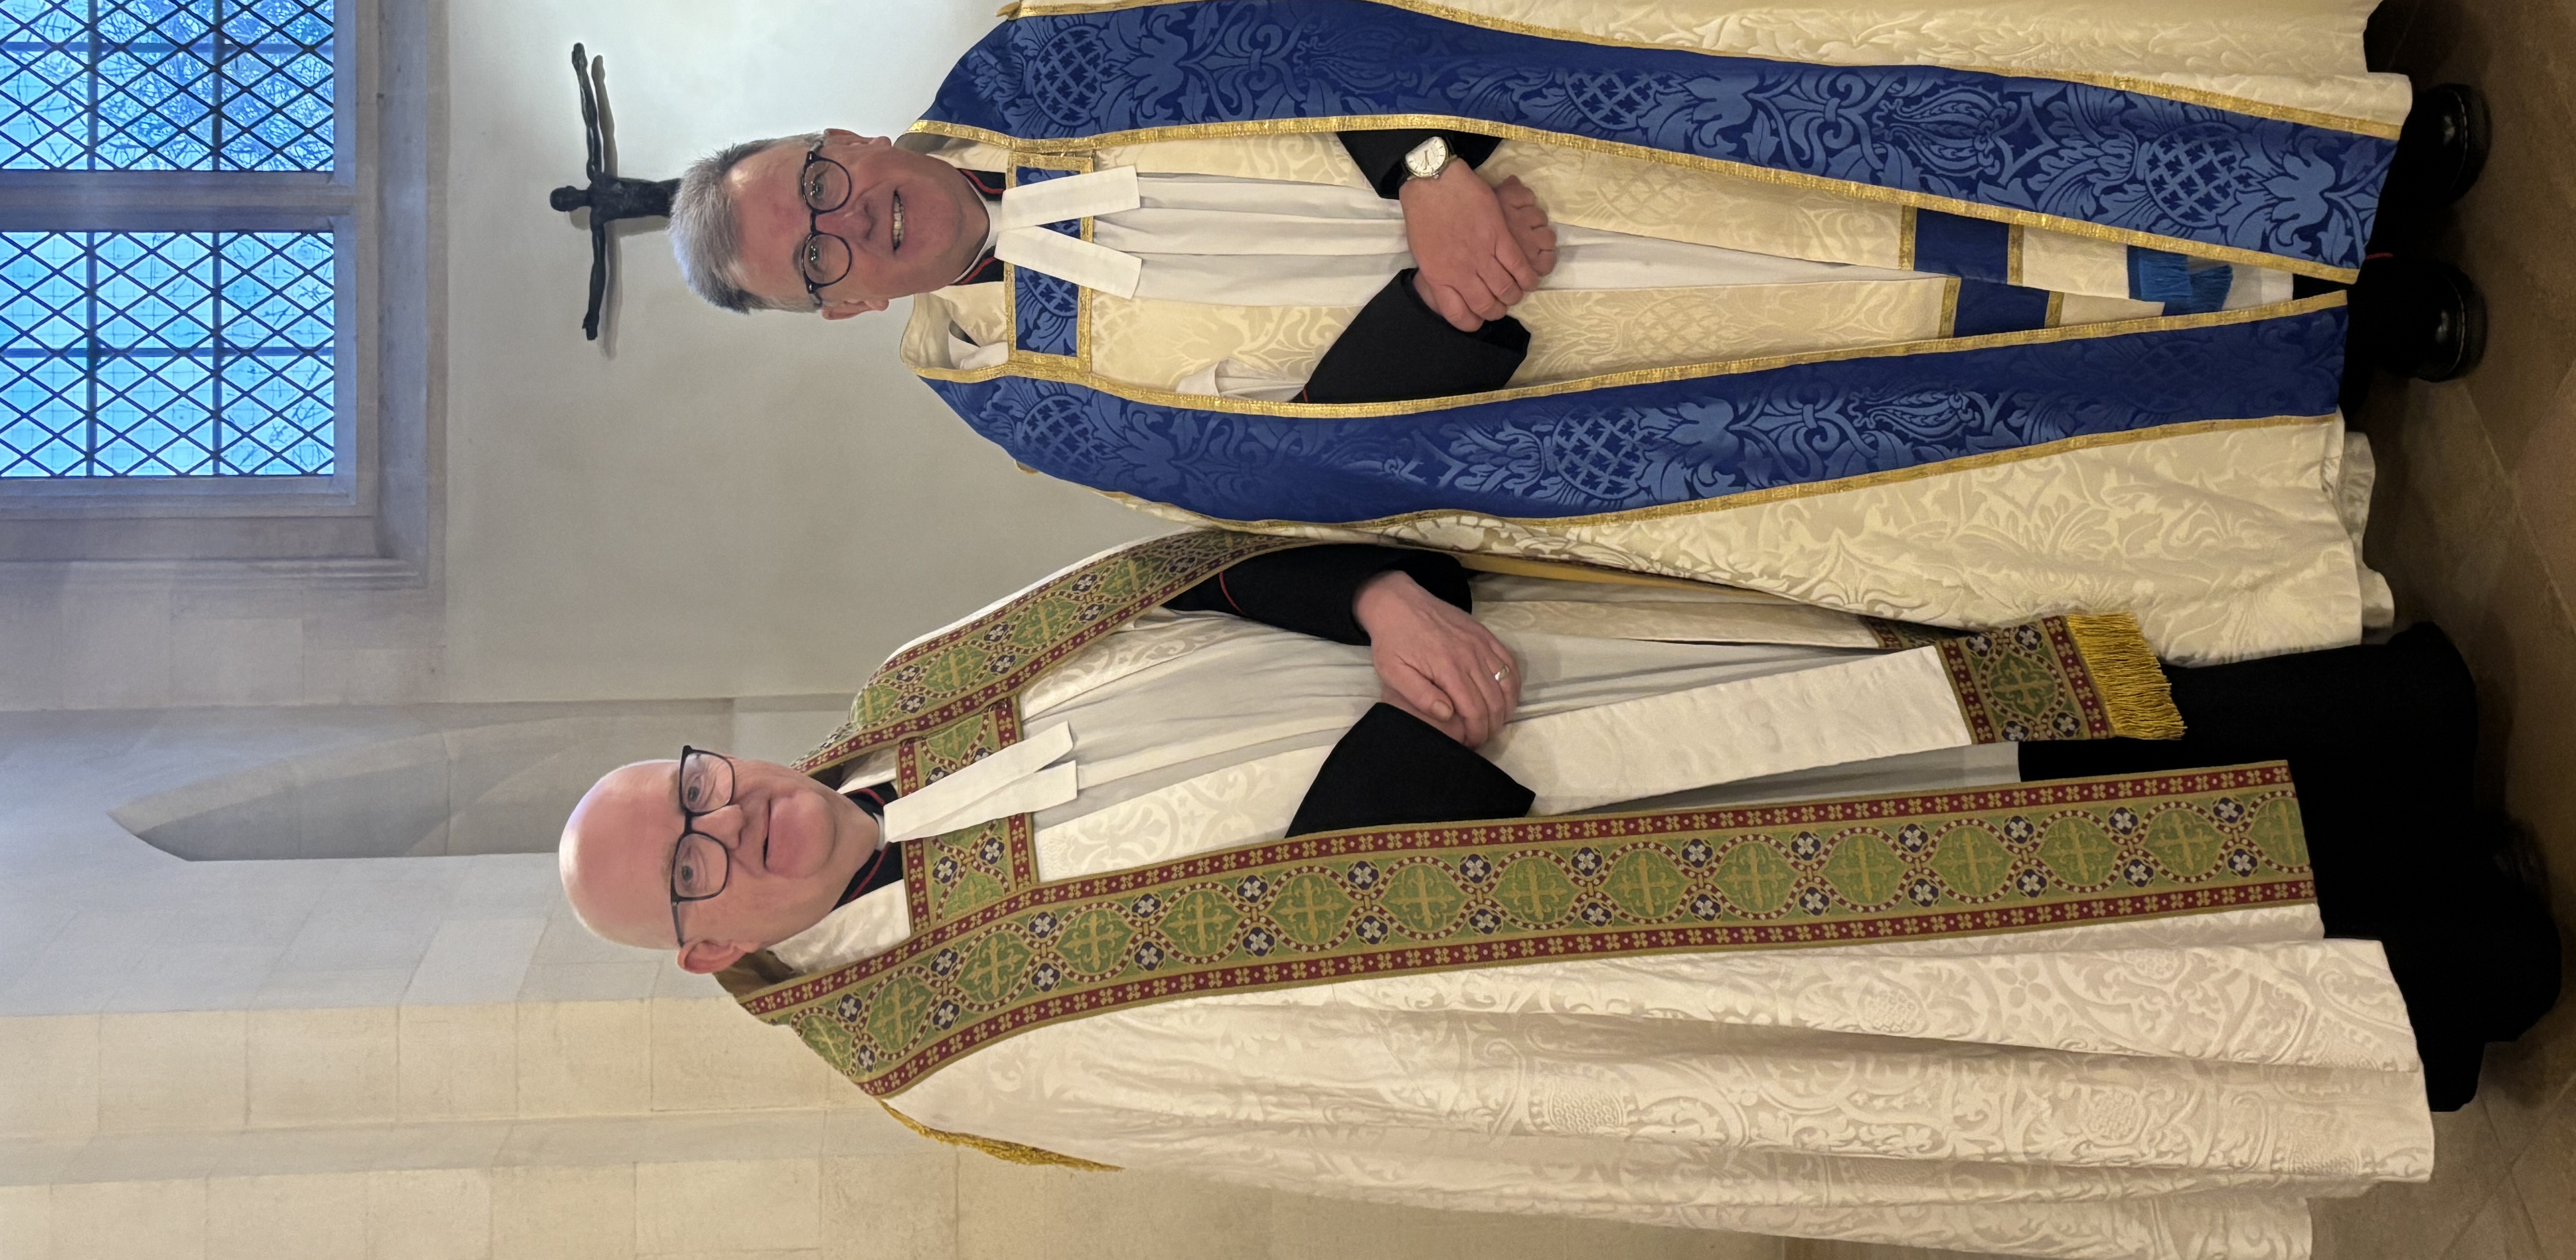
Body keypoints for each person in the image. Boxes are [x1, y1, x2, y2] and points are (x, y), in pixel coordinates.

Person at [665, 0, 2489, 663]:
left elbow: (1293, 11)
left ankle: (2347, 174)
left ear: (840, 133)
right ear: (839, 312)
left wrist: (1432, 173)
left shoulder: (1031, 60)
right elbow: (1295, 478)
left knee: (1911, 151)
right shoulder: (1017, 405)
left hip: (1557, 132)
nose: (845, 223)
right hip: (1583, 365)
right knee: (1922, 348)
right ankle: (2334, 333)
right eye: (813, 261)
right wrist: (1442, 331)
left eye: (814, 185)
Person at [557, 533, 2561, 1256]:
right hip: (1558, 911)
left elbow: (1179, 577)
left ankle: (2387, 755)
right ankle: (2438, 945)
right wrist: (1415, 754)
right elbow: (1282, 1032)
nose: (739, 821)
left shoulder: (911, 696)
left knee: (1946, 724)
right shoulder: (931, 1044)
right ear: (711, 947)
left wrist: (1372, 594)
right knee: (1990, 905)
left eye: (699, 788)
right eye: (696, 866)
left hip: (1554, 685)